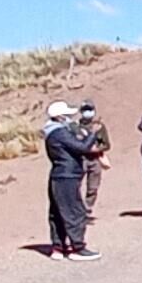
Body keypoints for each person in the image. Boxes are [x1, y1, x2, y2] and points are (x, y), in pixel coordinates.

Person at [43, 101, 101, 261]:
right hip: (66, 176)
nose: (70, 118)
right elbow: (81, 148)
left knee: (58, 212)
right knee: (75, 211)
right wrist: (92, 134)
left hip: (60, 175)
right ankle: (77, 248)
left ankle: (58, 246)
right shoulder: (59, 132)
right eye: (67, 115)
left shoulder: (53, 132)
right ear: (60, 117)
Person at [75, 101, 111, 221]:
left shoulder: (99, 126)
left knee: (93, 187)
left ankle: (87, 209)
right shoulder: (75, 127)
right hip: (80, 159)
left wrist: (97, 149)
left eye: (89, 110)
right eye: (85, 110)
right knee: (75, 186)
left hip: (95, 159)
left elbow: (106, 144)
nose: (88, 112)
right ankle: (77, 209)